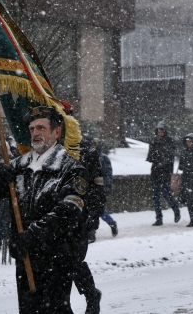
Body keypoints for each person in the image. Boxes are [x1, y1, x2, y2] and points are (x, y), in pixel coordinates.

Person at [0, 106, 91, 313]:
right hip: (26, 259)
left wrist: (31, 236)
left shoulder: (71, 169)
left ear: (56, 132)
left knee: (55, 309)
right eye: (32, 129)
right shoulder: (20, 166)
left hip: (56, 259)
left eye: (41, 127)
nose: (35, 133)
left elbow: (68, 212)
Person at [75, 134, 105, 313]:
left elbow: (97, 185)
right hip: (59, 215)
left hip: (81, 214)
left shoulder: (87, 151)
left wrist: (94, 213)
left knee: (74, 260)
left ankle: (90, 294)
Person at [146, 121, 180, 226]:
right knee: (155, 197)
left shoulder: (169, 141)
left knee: (166, 194)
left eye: (162, 131)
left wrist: (162, 159)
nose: (160, 133)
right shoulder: (154, 141)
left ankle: (176, 209)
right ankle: (159, 218)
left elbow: (170, 157)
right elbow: (150, 157)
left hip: (165, 172)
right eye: (158, 131)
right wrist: (156, 156)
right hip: (156, 172)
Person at [97, 139, 118, 237]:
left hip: (100, 187)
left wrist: (107, 186)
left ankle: (111, 222)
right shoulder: (89, 157)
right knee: (95, 208)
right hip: (93, 187)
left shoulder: (103, 158)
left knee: (98, 208)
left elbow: (108, 173)